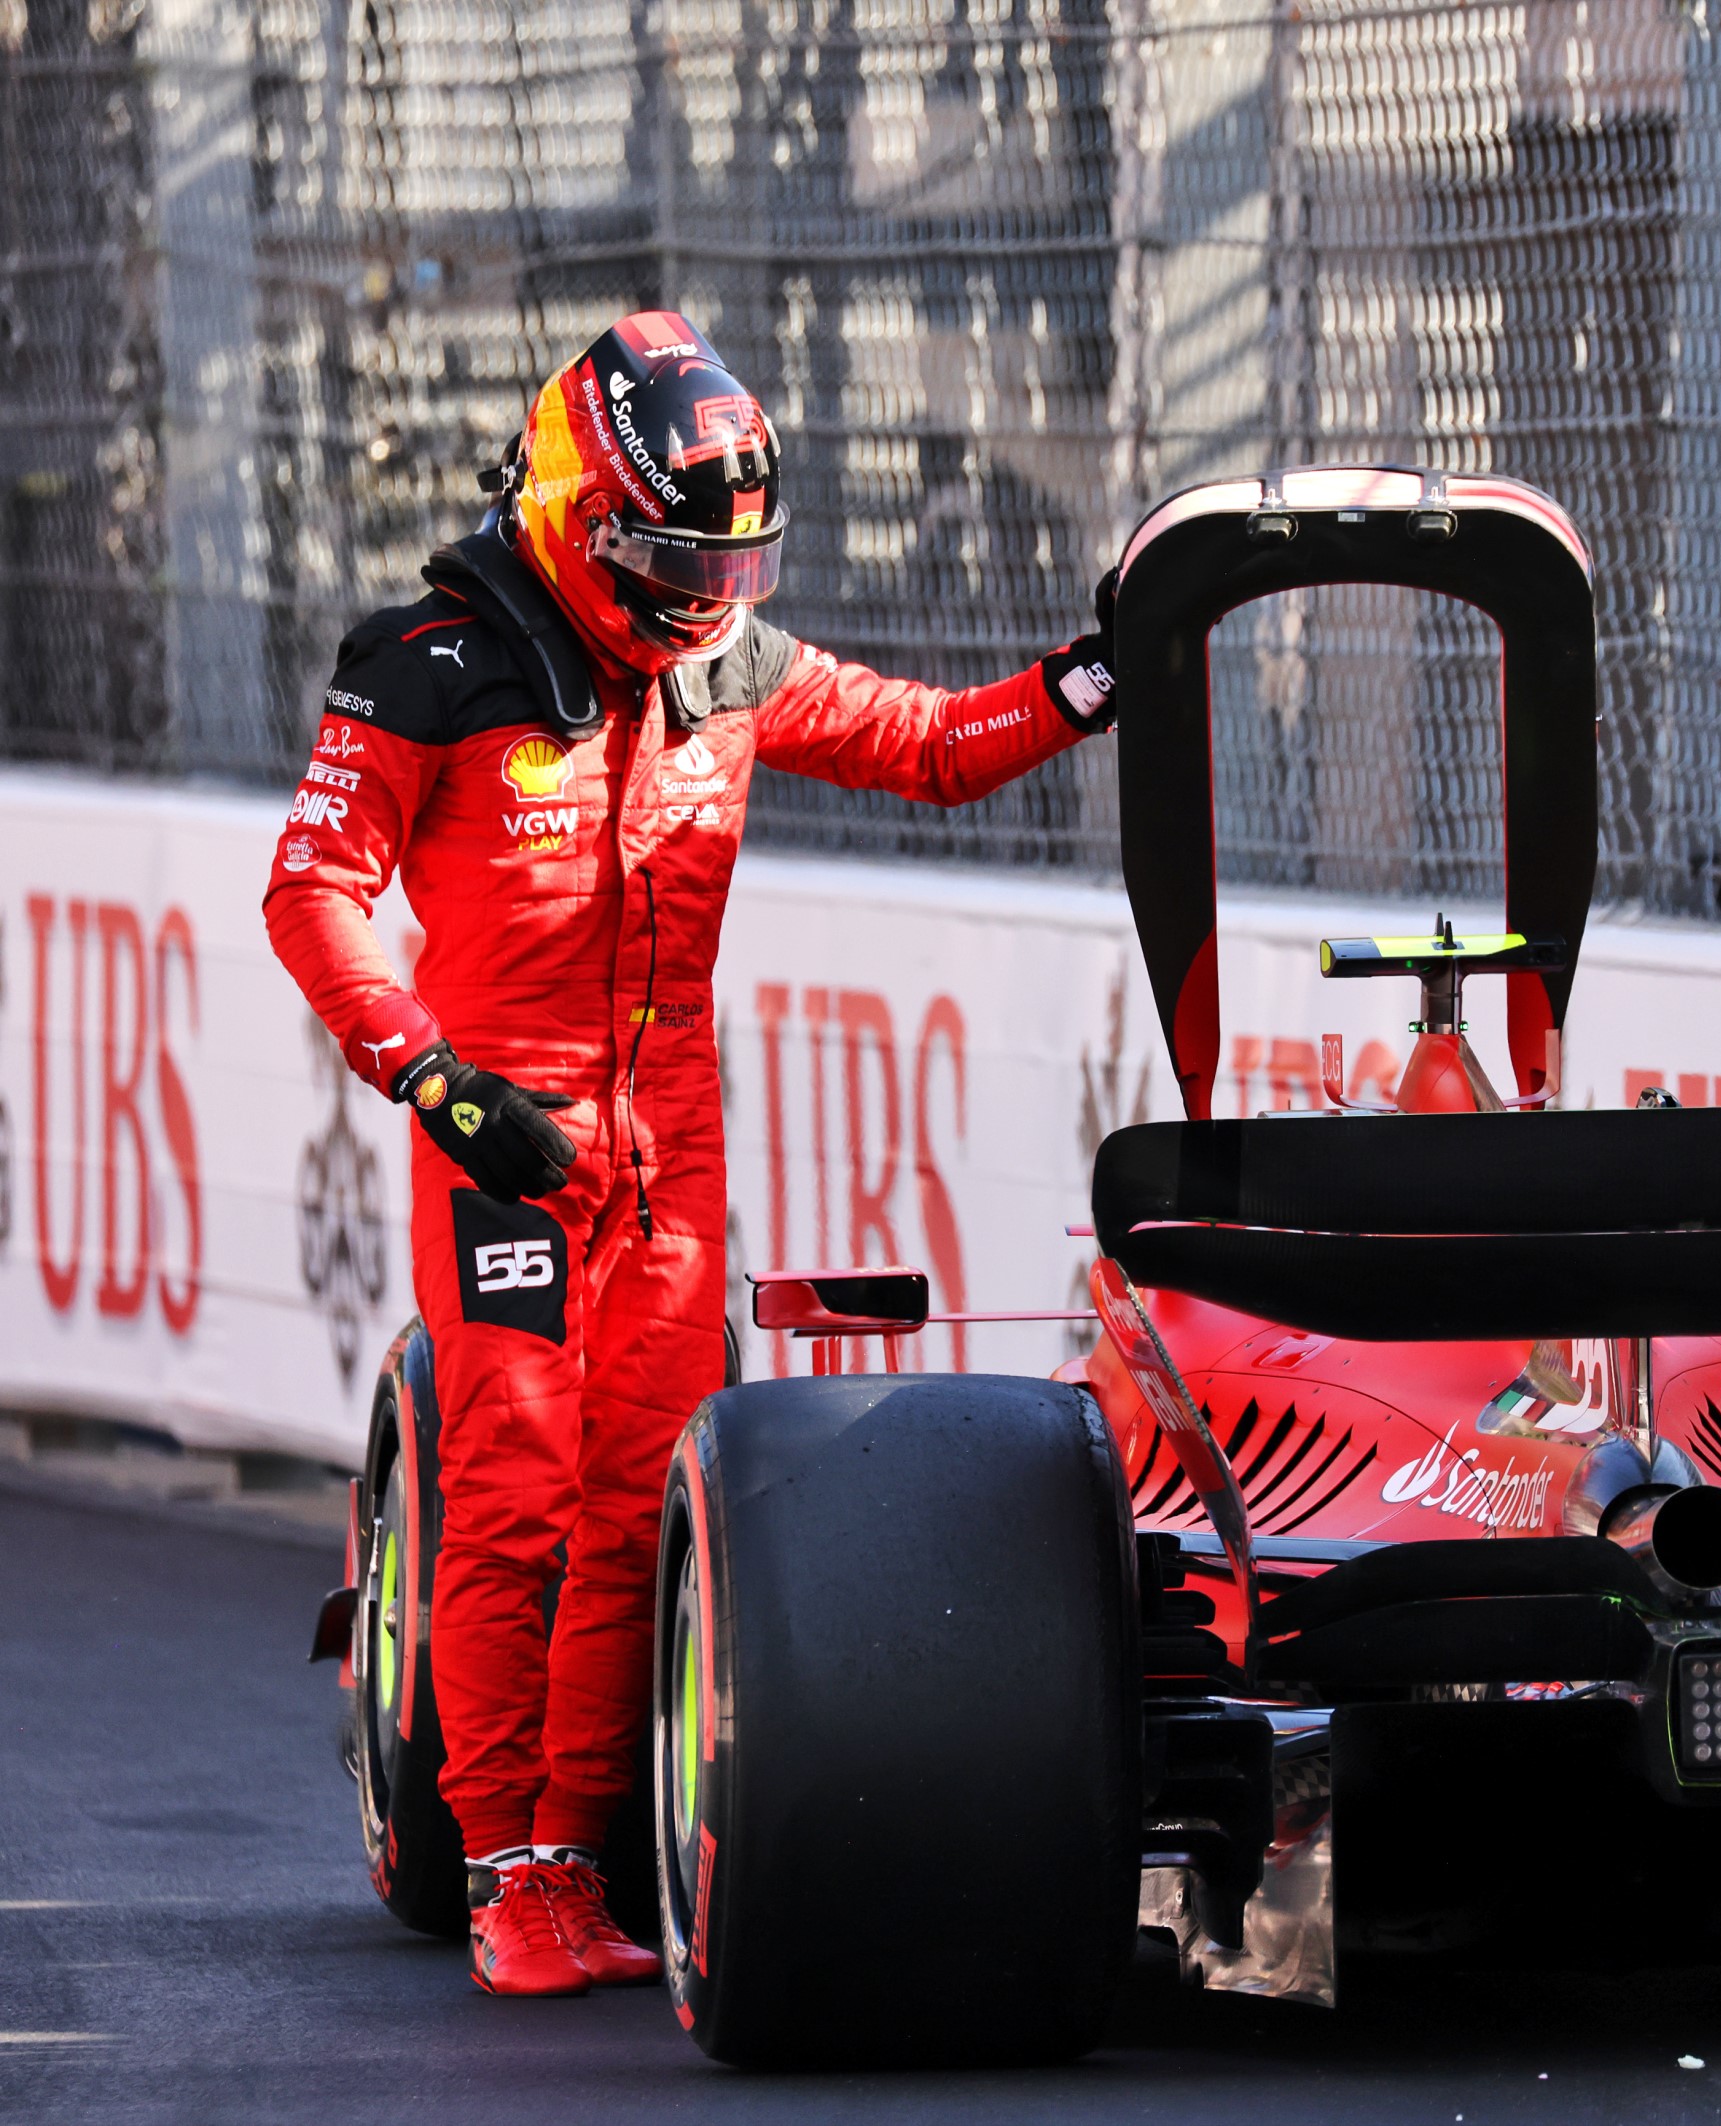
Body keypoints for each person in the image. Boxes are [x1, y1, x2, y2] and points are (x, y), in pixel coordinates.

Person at [263, 312, 1116, 1999]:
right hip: (501, 1129)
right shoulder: (424, 664)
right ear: (583, 509)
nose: (706, 586)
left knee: (635, 1491)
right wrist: (437, 1084)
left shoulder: (733, 660)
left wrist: (1093, 681)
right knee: (507, 1488)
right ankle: (501, 1861)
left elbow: (934, 747)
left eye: (731, 555)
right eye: (669, 551)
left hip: (671, 1140)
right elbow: (310, 895)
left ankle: (584, 1852)